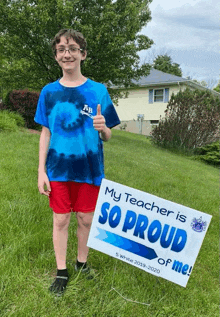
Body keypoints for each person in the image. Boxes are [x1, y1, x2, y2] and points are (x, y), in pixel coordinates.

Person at [34, 29, 120, 295]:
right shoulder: (49, 92)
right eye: (61, 49)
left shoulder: (98, 91)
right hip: (58, 169)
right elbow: (45, 133)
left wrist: (103, 128)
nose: (66, 53)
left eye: (72, 48)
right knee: (60, 221)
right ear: (56, 56)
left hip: (89, 168)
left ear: (83, 54)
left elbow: (108, 135)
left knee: (85, 218)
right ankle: (61, 272)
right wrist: (41, 171)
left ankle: (82, 263)